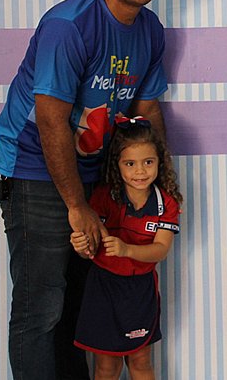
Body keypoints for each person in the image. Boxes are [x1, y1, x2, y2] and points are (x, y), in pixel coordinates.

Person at [0, 0, 170, 380]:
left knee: (77, 306)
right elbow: (50, 119)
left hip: (92, 173)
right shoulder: (69, 25)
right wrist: (76, 206)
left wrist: (162, 186)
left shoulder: (150, 30)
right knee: (40, 309)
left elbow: (147, 110)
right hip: (31, 169)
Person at [71, 116, 182, 380]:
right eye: (130, 163)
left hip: (140, 289)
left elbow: (161, 249)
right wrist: (80, 245)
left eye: (148, 162)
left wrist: (127, 250)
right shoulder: (103, 197)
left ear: (159, 162)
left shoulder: (166, 204)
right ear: (117, 164)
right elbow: (88, 248)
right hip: (103, 288)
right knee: (107, 366)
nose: (140, 171)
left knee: (140, 361)